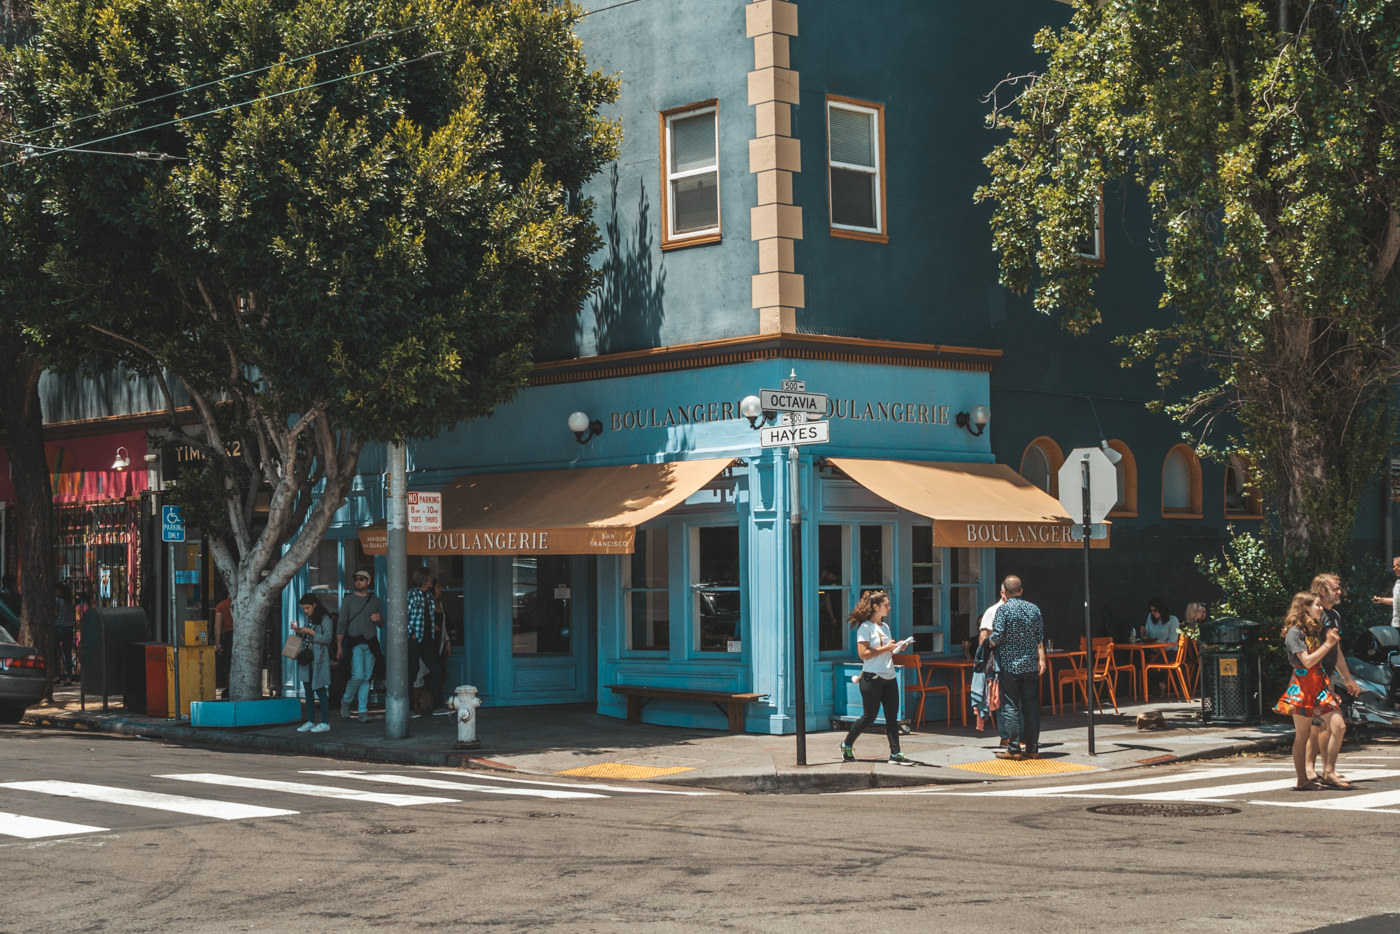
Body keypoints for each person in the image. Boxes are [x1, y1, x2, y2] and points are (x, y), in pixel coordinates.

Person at [1273, 591, 1349, 790]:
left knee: (1339, 725)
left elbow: (1319, 663)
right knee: (1303, 735)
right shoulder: (1294, 633)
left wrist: (1329, 687)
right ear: (1304, 608)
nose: (1320, 608)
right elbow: (1306, 662)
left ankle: (1329, 772)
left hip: (1319, 685)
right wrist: (1328, 644)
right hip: (1302, 688)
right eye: (1316, 605)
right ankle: (1302, 780)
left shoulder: (1313, 630)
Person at [839, 590, 915, 765]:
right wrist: (886, 648)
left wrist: (897, 648)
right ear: (875, 607)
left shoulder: (884, 627)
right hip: (872, 677)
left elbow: (886, 651)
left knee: (891, 717)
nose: (889, 607)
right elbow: (863, 654)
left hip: (889, 676)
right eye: (886, 605)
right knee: (869, 716)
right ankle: (847, 744)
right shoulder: (865, 627)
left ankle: (895, 753)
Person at [1306, 573, 1359, 785]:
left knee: (1320, 726)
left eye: (1339, 588)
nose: (1339, 592)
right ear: (1322, 591)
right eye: (1335, 588)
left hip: (1324, 678)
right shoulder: (1314, 616)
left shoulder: (1334, 615)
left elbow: (1336, 650)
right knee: (1326, 725)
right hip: (1312, 679)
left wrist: (1346, 679)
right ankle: (1317, 770)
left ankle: (1321, 770)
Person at [988, 575, 1046, 761]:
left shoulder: (1003, 610)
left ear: (1004, 592)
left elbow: (996, 637)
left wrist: (987, 644)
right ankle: (1032, 748)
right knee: (1031, 707)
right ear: (1021, 591)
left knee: (1011, 707)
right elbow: (1039, 636)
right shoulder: (1034, 609)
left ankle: (1013, 748)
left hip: (1009, 667)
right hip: (1030, 665)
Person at [337, 570, 383, 723]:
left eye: (362, 579)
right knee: (357, 675)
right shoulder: (348, 600)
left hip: (370, 642)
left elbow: (382, 624)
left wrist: (379, 619)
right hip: (354, 641)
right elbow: (341, 624)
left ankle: (362, 710)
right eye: (356, 579)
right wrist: (339, 646)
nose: (358, 582)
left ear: (368, 582)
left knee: (366, 678)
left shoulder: (375, 600)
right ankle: (346, 701)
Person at [407, 567, 446, 715]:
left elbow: (425, 616)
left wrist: (432, 626)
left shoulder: (429, 596)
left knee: (436, 670)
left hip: (427, 639)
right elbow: (404, 615)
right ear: (424, 579)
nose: (431, 580)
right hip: (415, 639)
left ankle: (438, 706)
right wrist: (411, 633)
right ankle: (409, 708)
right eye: (429, 577)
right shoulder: (412, 595)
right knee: (411, 673)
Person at [292, 595, 333, 733]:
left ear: (315, 605)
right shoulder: (308, 618)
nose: (305, 611)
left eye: (307, 608)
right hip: (307, 658)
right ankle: (310, 720)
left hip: (319, 659)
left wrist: (311, 632)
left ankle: (325, 722)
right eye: (303, 608)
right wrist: (299, 632)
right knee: (308, 691)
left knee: (320, 690)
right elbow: (306, 638)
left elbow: (328, 639)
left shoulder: (325, 619)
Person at [975, 583, 1009, 745]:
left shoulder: (1018, 610)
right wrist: (985, 658)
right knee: (1000, 697)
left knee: (1013, 698)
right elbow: (983, 637)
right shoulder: (992, 611)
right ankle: (1005, 735)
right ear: (1002, 593)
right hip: (996, 661)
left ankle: (1017, 735)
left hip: (1013, 661)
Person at [213, 587, 233, 697]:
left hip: (228, 635)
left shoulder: (221, 606)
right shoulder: (243, 604)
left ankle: (230, 687)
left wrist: (217, 644)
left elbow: (217, 626)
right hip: (241, 633)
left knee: (230, 663)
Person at [54, 585, 76, 685]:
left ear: (61, 592)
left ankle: (56, 675)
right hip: (69, 628)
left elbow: (55, 613)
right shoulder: (70, 603)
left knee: (55, 653)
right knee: (67, 654)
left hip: (58, 627)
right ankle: (69, 677)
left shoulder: (57, 600)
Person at [1371, 556, 1400, 628]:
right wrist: (1381, 600)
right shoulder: (1398, 582)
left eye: (1394, 566)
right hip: (1396, 624)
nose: (1393, 569)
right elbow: (1396, 600)